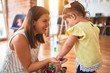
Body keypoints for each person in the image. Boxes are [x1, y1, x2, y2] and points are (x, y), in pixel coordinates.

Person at [0, 6, 63, 73]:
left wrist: (50, 66)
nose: (48, 24)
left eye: (48, 21)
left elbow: (34, 60)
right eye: (44, 21)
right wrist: (48, 60)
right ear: (33, 22)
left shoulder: (37, 35)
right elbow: (29, 68)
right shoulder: (20, 38)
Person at [57, 1, 102, 73]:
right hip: (95, 59)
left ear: (73, 17)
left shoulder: (77, 28)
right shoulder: (92, 25)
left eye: (68, 22)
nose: (69, 24)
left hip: (86, 61)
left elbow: (68, 45)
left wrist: (59, 56)